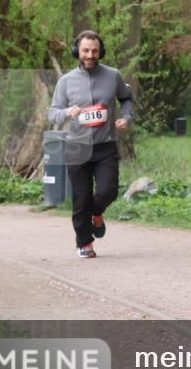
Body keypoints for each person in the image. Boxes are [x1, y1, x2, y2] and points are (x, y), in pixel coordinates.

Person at [48, 30, 135, 259]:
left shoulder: (113, 76)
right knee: (81, 197)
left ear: (101, 51)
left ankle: (97, 212)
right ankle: (84, 242)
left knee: (108, 191)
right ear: (78, 50)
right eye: (85, 50)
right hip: (77, 147)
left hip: (105, 146)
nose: (90, 55)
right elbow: (52, 113)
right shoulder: (65, 81)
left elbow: (126, 98)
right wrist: (68, 111)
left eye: (94, 51)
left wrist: (126, 118)